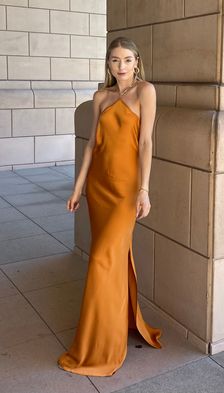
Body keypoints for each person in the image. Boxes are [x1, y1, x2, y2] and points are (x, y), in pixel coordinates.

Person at [57, 36, 162, 377]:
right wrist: (78, 187)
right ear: (108, 64)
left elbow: (146, 142)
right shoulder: (100, 97)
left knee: (104, 257)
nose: (121, 66)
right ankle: (117, 325)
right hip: (99, 187)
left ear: (137, 62)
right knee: (113, 257)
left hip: (128, 188)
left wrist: (144, 190)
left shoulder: (146, 91)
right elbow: (90, 147)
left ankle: (99, 345)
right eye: (115, 60)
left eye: (127, 60)